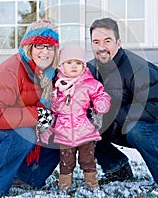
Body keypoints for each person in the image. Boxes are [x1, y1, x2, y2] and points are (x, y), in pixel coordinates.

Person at [0, 20, 61, 197]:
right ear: (28, 47)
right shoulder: (10, 70)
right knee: (24, 135)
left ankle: (26, 177)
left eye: (50, 47)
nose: (45, 52)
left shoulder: (48, 74)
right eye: (39, 45)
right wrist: (37, 115)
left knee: (59, 136)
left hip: (16, 123)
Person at [87, 18, 158, 189]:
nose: (101, 47)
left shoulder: (139, 69)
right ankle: (117, 168)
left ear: (118, 42)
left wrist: (112, 114)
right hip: (121, 123)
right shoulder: (90, 70)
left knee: (135, 129)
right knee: (83, 126)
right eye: (96, 42)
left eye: (107, 41)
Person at [40, 45, 111, 191]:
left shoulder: (90, 84)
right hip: (64, 133)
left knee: (88, 160)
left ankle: (92, 185)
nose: (74, 66)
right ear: (61, 65)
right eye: (69, 62)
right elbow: (51, 110)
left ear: (84, 66)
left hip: (85, 131)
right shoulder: (57, 86)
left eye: (78, 63)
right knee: (66, 161)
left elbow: (101, 94)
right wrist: (47, 129)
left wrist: (101, 103)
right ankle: (64, 186)